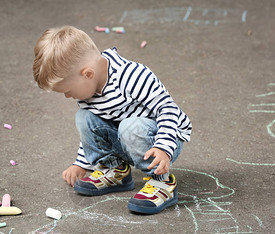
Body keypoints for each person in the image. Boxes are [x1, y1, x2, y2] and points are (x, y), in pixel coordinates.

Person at [33, 26, 192, 214]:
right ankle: (115, 170)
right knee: (85, 117)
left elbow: (168, 109)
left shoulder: (133, 76)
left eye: (68, 90)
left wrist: (164, 147)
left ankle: (163, 183)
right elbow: (92, 130)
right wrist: (81, 163)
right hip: (126, 138)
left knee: (130, 127)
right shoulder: (87, 92)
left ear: (87, 74)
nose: (68, 96)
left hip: (162, 139)